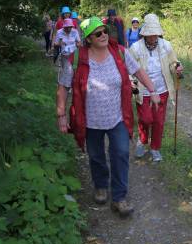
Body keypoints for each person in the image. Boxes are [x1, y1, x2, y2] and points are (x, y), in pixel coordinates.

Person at [56, 17, 160, 217]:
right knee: (96, 157)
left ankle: (120, 198)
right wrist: (61, 113)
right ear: (88, 39)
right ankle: (101, 186)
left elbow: (138, 71)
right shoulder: (77, 58)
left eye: (105, 31)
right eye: (98, 34)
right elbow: (63, 87)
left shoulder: (119, 52)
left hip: (118, 117)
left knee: (120, 154)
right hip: (91, 121)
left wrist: (152, 90)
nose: (104, 36)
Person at [129, 14, 183, 162]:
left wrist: (177, 68)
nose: (153, 37)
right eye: (150, 34)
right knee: (146, 119)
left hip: (162, 90)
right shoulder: (135, 48)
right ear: (144, 33)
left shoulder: (166, 45)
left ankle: (155, 148)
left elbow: (173, 63)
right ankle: (142, 140)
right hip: (143, 91)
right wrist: (131, 81)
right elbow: (129, 69)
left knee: (159, 121)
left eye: (155, 33)